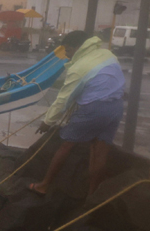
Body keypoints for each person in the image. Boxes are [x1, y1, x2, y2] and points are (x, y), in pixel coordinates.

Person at [30, 30, 127, 196]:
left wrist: (47, 121)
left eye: (67, 50)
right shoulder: (107, 54)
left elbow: (63, 99)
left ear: (77, 48)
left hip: (93, 109)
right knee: (100, 150)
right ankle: (92, 194)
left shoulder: (79, 67)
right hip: (116, 107)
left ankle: (44, 185)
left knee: (66, 145)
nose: (67, 55)